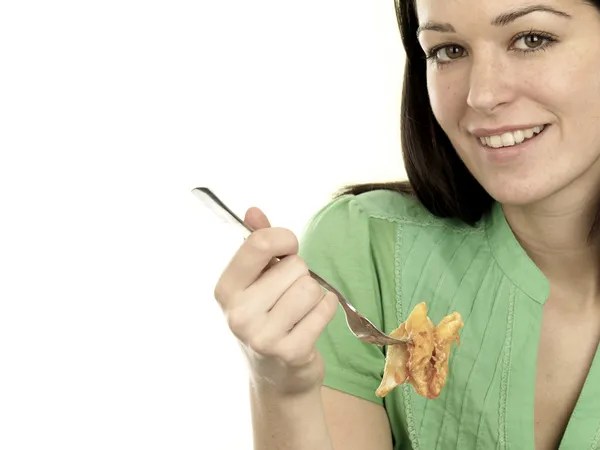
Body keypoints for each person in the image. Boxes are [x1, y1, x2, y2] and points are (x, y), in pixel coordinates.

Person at [211, 0, 600, 448]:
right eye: (448, 50)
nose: (483, 95)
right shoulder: (364, 248)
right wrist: (282, 386)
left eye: (532, 40)